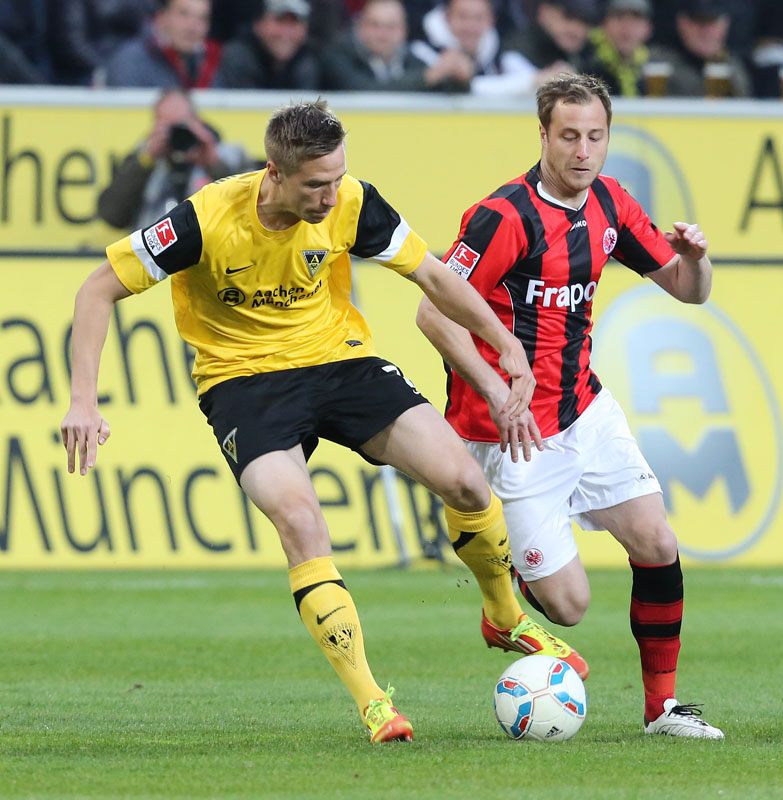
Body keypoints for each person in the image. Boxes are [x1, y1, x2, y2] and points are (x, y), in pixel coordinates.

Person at [62, 99, 587, 743]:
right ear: (275, 174)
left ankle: (503, 616)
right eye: (316, 184)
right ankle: (373, 702)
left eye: (337, 177)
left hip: (340, 364)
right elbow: (97, 289)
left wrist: (503, 343)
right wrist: (83, 400)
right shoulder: (206, 219)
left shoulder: (352, 202)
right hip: (244, 385)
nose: (330, 195)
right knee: (301, 521)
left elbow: (432, 275)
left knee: (467, 483)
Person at [417, 73, 724, 739]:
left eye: (595, 136)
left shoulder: (611, 202)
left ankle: (661, 710)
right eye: (568, 137)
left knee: (657, 541)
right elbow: (431, 313)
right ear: (542, 136)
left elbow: (687, 289)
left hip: (584, 411)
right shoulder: (503, 217)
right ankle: (500, 597)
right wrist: (496, 389)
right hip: (510, 434)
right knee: (569, 606)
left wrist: (696, 259)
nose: (583, 151)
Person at [97, 89, 252, 232]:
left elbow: (250, 209)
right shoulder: (143, 160)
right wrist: (144, 163)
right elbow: (111, 215)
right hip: (154, 250)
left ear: (197, 122)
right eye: (168, 127)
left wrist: (214, 164)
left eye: (181, 126)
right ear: (155, 127)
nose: (176, 135)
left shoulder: (227, 155)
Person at [319, 0, 473, 92]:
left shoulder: (413, 60)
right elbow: (367, 93)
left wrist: (461, 80)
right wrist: (428, 76)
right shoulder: (337, 57)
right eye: (375, 25)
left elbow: (442, 91)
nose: (383, 34)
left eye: (391, 26)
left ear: (404, 30)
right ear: (360, 28)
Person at [410, 0, 539, 96]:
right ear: (447, 17)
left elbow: (537, 82)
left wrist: (536, 80)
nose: (470, 26)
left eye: (478, 18)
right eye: (463, 17)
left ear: (491, 20)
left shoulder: (503, 57)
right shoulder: (420, 52)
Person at [103, 0, 222, 89]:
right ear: (161, 16)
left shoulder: (212, 61)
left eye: (203, 18)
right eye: (183, 14)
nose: (193, 27)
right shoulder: (129, 62)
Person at [647, 0, 752, 97]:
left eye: (713, 23)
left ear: (725, 25)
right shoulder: (657, 61)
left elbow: (744, 105)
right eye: (700, 23)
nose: (707, 31)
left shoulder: (732, 66)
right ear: (682, 23)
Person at [217, 0, 320, 90]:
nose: (286, 33)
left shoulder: (309, 64)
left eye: (294, 23)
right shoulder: (238, 58)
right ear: (258, 25)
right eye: (279, 21)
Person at [503, 0, 597, 79]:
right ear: (544, 12)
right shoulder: (516, 51)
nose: (577, 30)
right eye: (568, 17)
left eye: (585, 22)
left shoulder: (589, 53)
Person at [583, 0, 653, 96]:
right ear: (603, 24)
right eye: (619, 17)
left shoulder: (658, 66)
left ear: (648, 28)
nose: (627, 27)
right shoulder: (585, 65)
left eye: (635, 19)